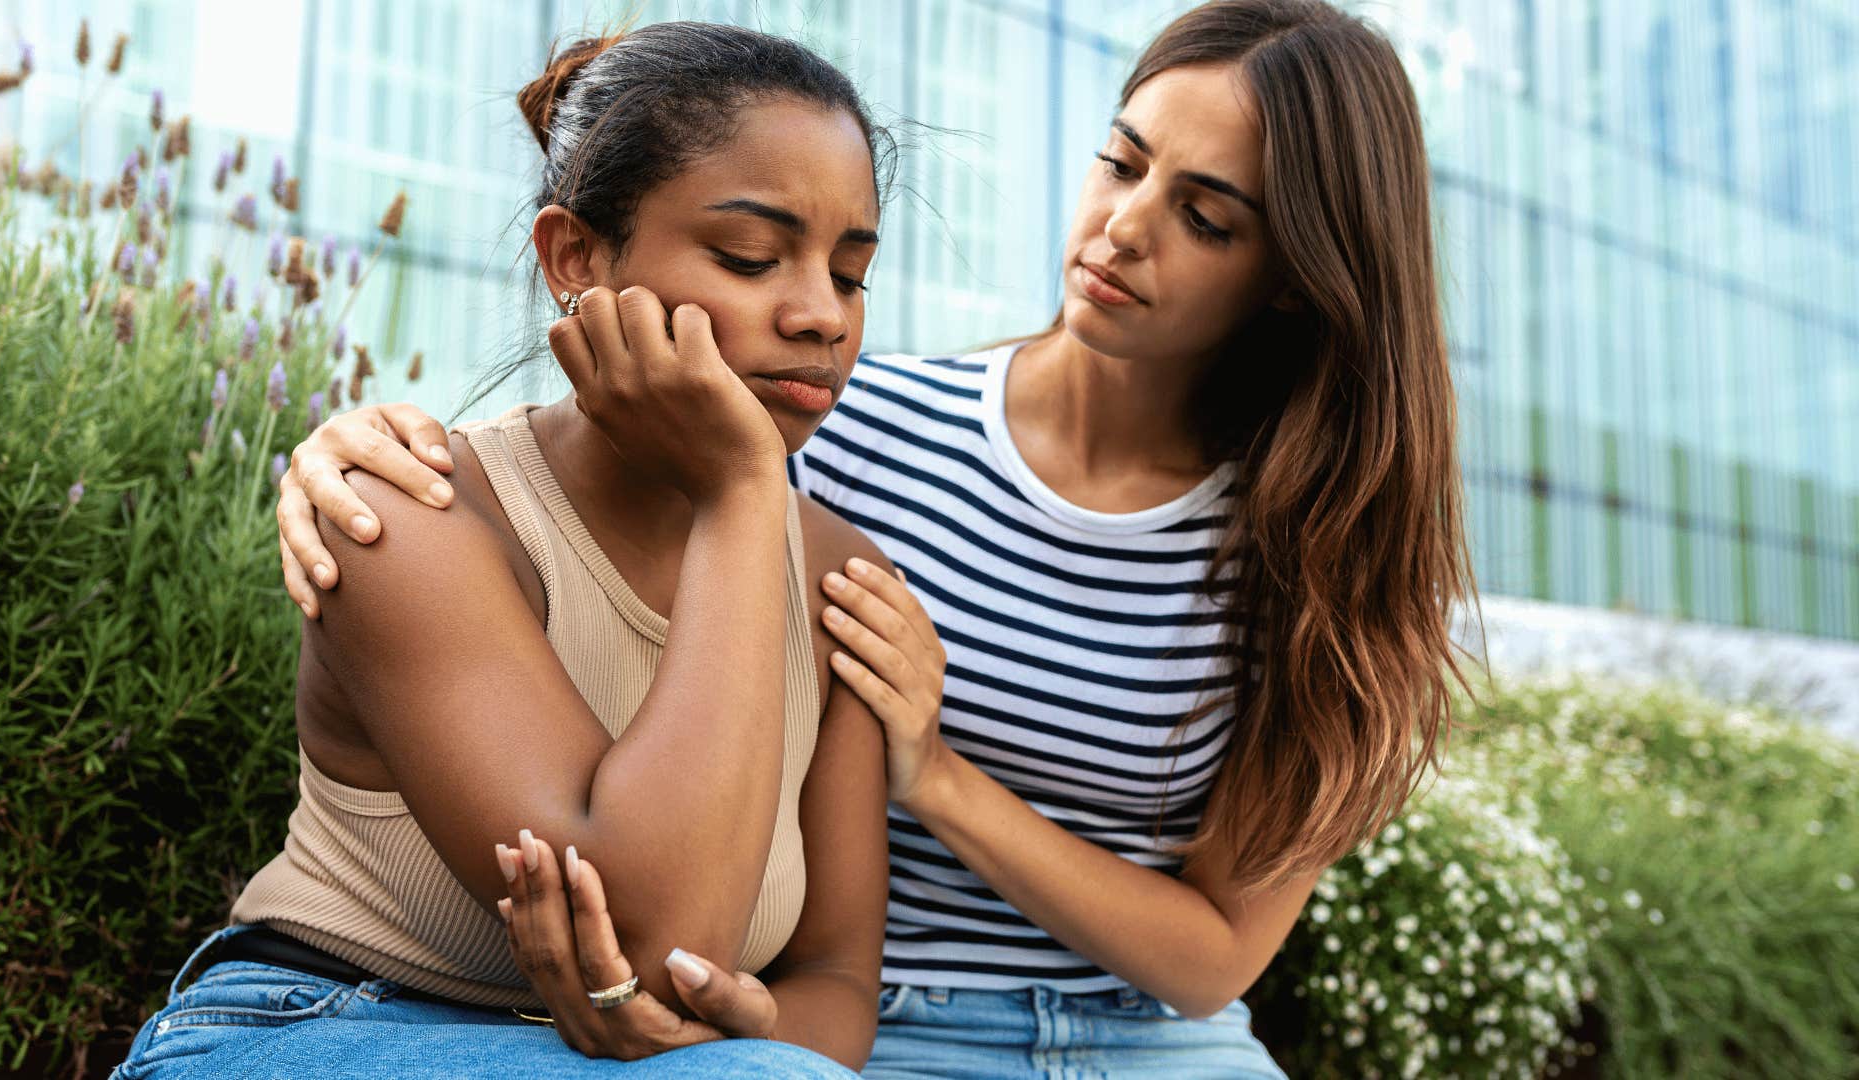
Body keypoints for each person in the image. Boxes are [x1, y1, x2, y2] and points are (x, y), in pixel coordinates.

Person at [273, 2, 1475, 1076]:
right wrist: (345, 447)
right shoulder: (834, 424)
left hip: (1149, 1042)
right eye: (1120, 164)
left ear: (1294, 274)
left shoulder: (1325, 559)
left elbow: (1215, 955)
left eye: (1206, 217)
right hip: (887, 1033)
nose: (1121, 229)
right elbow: (615, 465)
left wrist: (936, 776)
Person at [116, 22, 906, 1079]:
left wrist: (711, 1038)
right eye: (751, 257)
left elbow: (840, 989)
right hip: (322, 1023)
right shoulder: (411, 513)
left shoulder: (842, 582)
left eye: (851, 275)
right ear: (574, 257)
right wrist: (741, 489)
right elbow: (651, 932)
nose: (820, 316)